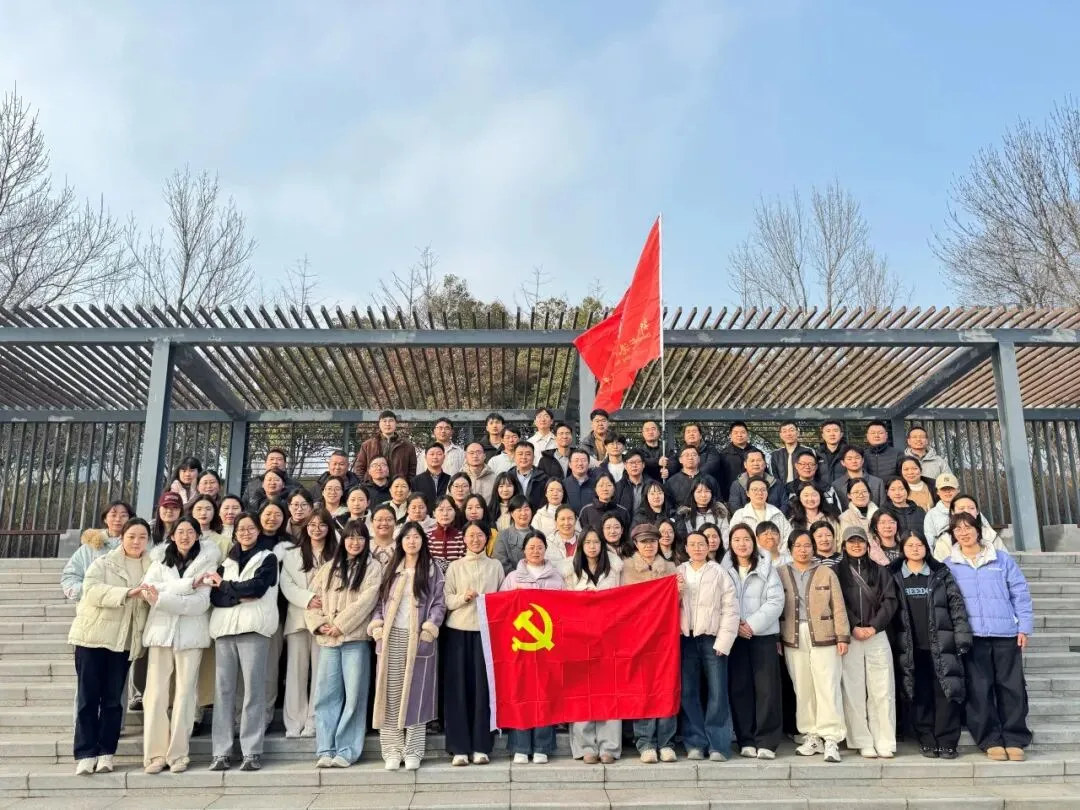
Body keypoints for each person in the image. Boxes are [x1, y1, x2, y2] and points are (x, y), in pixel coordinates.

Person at [944, 512, 1034, 762]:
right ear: (953, 534)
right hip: (972, 636)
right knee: (979, 690)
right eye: (958, 529)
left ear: (978, 530)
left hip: (1005, 633)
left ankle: (1015, 737)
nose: (964, 533)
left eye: (968, 527)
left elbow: (1020, 593)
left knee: (1012, 687)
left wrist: (1024, 627)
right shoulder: (949, 564)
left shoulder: (1001, 559)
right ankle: (989, 739)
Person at [69, 517, 153, 776]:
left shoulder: (152, 567)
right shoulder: (103, 562)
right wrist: (127, 593)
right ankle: (85, 753)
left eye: (142, 537)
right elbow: (91, 590)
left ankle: (107, 752)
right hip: (92, 638)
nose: (136, 542)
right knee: (88, 698)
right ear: (122, 538)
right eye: (131, 536)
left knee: (113, 701)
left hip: (124, 641)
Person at [141, 516, 220, 774]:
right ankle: (155, 754)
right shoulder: (159, 560)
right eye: (180, 531)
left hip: (191, 635)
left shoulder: (208, 562)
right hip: (161, 633)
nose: (185, 536)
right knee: (155, 694)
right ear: (172, 535)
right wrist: (190, 584)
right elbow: (148, 589)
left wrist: (163, 598)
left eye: (190, 532)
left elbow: (200, 604)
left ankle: (178, 754)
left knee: (186, 694)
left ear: (198, 535)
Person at [369, 522, 447, 771]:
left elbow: (439, 603)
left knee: (416, 694)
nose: (412, 541)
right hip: (391, 637)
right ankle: (392, 750)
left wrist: (429, 630)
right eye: (407, 537)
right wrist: (378, 628)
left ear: (423, 541)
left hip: (419, 639)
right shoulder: (391, 569)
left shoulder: (432, 570)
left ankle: (413, 750)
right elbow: (378, 603)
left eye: (416, 537)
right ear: (400, 541)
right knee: (390, 694)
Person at [205, 512, 279, 772]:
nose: (246, 533)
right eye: (241, 529)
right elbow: (215, 598)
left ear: (258, 531)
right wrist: (237, 592)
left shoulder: (268, 558)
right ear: (235, 533)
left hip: (254, 629)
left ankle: (251, 751)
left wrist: (226, 587)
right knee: (223, 692)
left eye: (250, 528)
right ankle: (221, 751)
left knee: (253, 691)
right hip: (224, 630)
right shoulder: (226, 561)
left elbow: (256, 589)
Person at [307, 519, 383, 768]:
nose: (354, 542)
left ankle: (347, 750)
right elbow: (313, 600)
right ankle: (325, 748)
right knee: (326, 696)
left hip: (354, 640)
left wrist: (341, 624)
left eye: (360, 537)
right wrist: (319, 624)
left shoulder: (373, 567)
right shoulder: (328, 568)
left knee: (354, 697)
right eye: (350, 537)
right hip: (328, 641)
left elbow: (367, 601)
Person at [889, 530, 971, 760]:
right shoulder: (894, 575)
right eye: (910, 545)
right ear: (902, 550)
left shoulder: (941, 573)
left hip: (941, 645)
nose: (915, 549)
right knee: (918, 693)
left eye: (919, 545)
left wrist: (962, 637)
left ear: (926, 548)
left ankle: (947, 741)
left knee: (946, 692)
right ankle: (926, 739)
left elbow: (956, 606)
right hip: (910, 648)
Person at [778, 529, 849, 763]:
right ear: (790, 549)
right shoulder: (781, 573)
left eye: (807, 545)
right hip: (793, 636)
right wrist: (778, 638)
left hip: (824, 634)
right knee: (803, 687)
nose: (803, 550)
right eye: (798, 546)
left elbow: (838, 605)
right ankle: (811, 735)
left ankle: (831, 737)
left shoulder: (826, 572)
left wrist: (842, 636)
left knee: (827, 686)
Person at [442, 520, 505, 766]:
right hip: (458, 631)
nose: (475, 539)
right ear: (464, 539)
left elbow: (502, 599)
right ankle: (459, 748)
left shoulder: (495, 566)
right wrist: (463, 597)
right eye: (471, 535)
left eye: (480, 535)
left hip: (486, 634)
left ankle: (481, 746)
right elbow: (446, 599)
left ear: (487, 538)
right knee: (458, 690)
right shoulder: (455, 566)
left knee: (483, 691)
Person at [500, 530, 565, 763]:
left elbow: (565, 609)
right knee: (520, 692)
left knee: (544, 694)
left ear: (546, 549)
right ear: (523, 551)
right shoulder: (512, 578)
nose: (535, 551)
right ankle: (520, 746)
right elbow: (501, 609)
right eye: (531, 547)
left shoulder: (556, 578)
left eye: (539, 547)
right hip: (520, 648)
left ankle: (542, 746)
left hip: (548, 646)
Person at [721, 523, 784, 760]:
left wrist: (752, 625)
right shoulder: (724, 569)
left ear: (753, 542)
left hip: (762, 635)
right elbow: (720, 601)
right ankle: (746, 739)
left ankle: (766, 740)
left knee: (767, 690)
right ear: (730, 543)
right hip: (735, 636)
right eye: (737, 539)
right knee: (740, 688)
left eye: (746, 539)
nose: (742, 544)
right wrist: (736, 626)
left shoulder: (767, 567)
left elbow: (776, 601)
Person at [835, 526, 898, 759]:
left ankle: (885, 740)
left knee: (882, 688)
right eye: (851, 541)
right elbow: (837, 602)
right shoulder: (836, 572)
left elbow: (890, 601)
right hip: (850, 635)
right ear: (844, 546)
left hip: (877, 634)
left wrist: (874, 626)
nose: (856, 545)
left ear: (867, 545)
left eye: (860, 541)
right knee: (853, 689)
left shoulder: (881, 571)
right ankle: (862, 740)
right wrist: (853, 626)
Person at [677, 530, 738, 761]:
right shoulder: (678, 572)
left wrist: (724, 641)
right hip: (686, 639)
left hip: (712, 638)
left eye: (701, 544)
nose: (697, 548)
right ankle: (695, 742)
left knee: (717, 692)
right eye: (692, 544)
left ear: (708, 546)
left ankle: (718, 746)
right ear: (686, 548)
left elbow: (730, 608)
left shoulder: (719, 572)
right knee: (688, 692)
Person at [621, 524, 679, 763]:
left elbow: (677, 600)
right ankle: (645, 742)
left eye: (653, 541)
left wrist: (678, 591)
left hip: (665, 637)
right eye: (644, 542)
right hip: (638, 636)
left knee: (666, 686)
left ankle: (666, 742)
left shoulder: (671, 568)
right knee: (642, 689)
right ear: (636, 543)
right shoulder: (626, 568)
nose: (649, 546)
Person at [565, 527, 622, 764]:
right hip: (579, 638)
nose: (592, 546)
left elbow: (624, 600)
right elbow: (562, 603)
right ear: (580, 545)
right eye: (587, 542)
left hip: (609, 637)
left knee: (609, 690)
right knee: (582, 691)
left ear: (602, 545)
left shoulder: (615, 570)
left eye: (596, 542)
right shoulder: (570, 571)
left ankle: (609, 746)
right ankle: (585, 745)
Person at [280, 508, 338, 739]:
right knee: (296, 672)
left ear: (329, 528)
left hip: (325, 620)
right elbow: (287, 584)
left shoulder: (337, 553)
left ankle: (314, 720)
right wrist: (307, 599)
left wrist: (321, 603)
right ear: (305, 527)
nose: (317, 529)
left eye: (322, 524)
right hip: (298, 618)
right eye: (312, 524)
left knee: (321, 673)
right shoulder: (292, 554)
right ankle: (294, 722)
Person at [62, 501, 131, 601]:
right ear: (105, 519)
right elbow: (70, 576)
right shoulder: (89, 547)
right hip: (93, 606)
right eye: (113, 515)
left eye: (123, 515)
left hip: (126, 604)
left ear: (130, 519)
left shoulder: (137, 546)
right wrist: (90, 593)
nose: (118, 519)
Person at [932, 492, 1006, 560]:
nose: (967, 511)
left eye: (971, 508)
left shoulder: (990, 535)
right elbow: (940, 568)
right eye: (961, 508)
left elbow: (1005, 561)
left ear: (977, 512)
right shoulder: (945, 540)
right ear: (952, 512)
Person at [353, 411, 418, 483]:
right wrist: (364, 485)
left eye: (391, 421)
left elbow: (412, 471)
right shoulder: (367, 445)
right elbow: (359, 468)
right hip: (373, 487)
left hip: (398, 487)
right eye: (384, 421)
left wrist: (407, 485)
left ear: (396, 423)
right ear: (379, 424)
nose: (387, 424)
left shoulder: (408, 446)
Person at [730, 476, 793, 542]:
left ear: (767, 493)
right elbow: (734, 539)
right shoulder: (739, 515)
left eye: (763, 490)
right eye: (755, 489)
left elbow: (788, 537)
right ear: (747, 493)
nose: (760, 493)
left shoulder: (777, 513)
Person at [675, 478, 731, 548]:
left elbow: (726, 538)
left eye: (707, 491)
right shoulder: (686, 515)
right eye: (699, 492)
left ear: (712, 493)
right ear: (693, 494)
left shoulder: (720, 512)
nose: (703, 495)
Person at [727, 447, 785, 512]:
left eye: (759, 460)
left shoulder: (776, 483)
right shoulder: (737, 485)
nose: (755, 464)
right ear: (745, 465)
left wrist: (775, 517)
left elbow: (784, 504)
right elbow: (735, 507)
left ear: (765, 464)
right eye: (752, 461)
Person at [832, 446, 887, 510]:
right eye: (849, 459)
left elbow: (883, 507)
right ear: (843, 462)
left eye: (857, 458)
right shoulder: (837, 485)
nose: (854, 461)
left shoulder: (877, 482)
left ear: (863, 460)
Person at [579, 472, 631, 537]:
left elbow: (626, 536)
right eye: (601, 485)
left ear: (614, 488)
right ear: (595, 489)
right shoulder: (586, 511)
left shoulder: (623, 512)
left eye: (609, 485)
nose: (605, 489)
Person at [493, 495, 536, 574]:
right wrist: (519, 577)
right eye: (519, 510)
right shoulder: (503, 536)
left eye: (526, 509)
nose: (523, 513)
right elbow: (501, 563)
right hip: (513, 579)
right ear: (512, 513)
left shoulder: (538, 535)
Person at [681, 422, 724, 489]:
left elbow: (711, 465)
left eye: (694, 431)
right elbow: (674, 464)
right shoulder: (680, 452)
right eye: (688, 432)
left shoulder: (710, 449)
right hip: (686, 486)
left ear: (700, 436)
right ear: (684, 437)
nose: (691, 434)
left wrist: (694, 475)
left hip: (706, 486)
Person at [838, 479, 880, 546]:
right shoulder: (844, 517)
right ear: (849, 495)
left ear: (869, 493)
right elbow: (847, 542)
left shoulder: (880, 513)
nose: (861, 495)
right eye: (856, 492)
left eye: (864, 491)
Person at [428, 496, 465, 572]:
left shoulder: (462, 537)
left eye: (449, 509)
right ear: (434, 513)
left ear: (455, 512)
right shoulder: (427, 537)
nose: (445, 514)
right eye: (441, 510)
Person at [511, 441, 550, 511]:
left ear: (533, 457)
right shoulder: (508, 477)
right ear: (514, 457)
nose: (524, 457)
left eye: (528, 454)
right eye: (520, 454)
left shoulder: (543, 478)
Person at [412, 444, 451, 510]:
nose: (435, 457)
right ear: (425, 457)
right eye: (432, 454)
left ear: (444, 457)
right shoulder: (416, 481)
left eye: (439, 454)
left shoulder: (450, 479)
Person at [544, 504, 579, 576]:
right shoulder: (546, 543)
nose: (566, 523)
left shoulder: (585, 541)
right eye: (562, 519)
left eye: (570, 518)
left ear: (575, 521)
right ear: (556, 522)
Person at [613, 449, 651, 515]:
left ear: (643, 465)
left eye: (637, 462)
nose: (634, 465)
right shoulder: (618, 487)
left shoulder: (651, 485)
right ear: (625, 466)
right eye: (631, 462)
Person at [564, 449, 598, 513]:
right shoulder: (563, 484)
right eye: (576, 460)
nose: (580, 463)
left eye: (583, 460)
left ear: (588, 464)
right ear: (570, 464)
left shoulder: (597, 484)